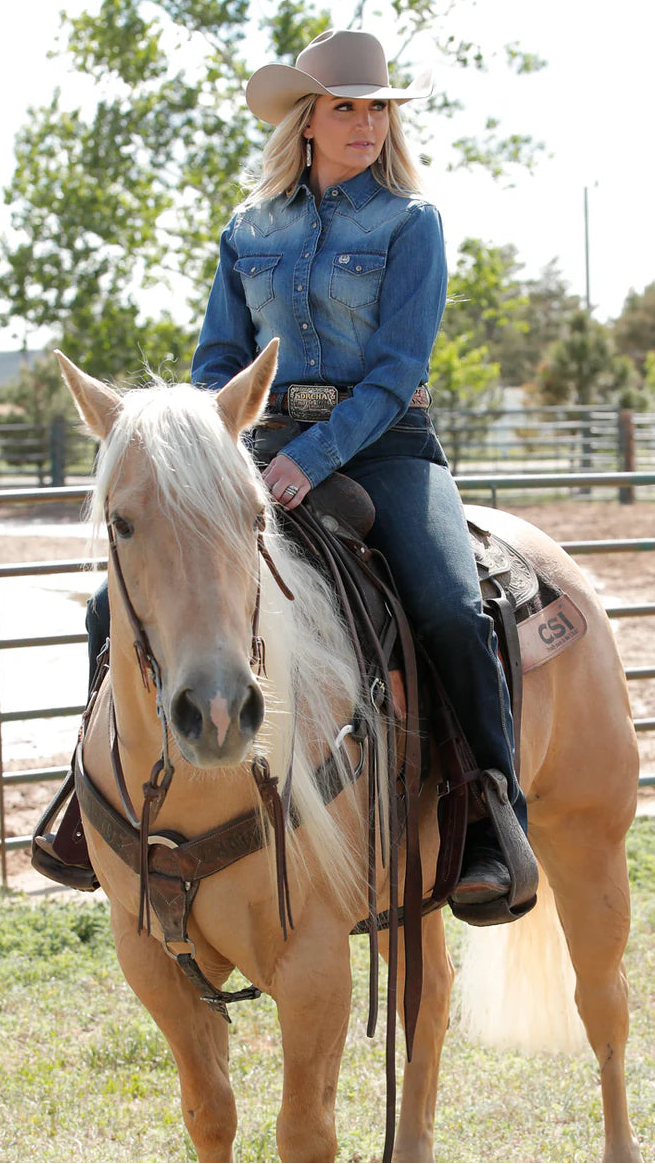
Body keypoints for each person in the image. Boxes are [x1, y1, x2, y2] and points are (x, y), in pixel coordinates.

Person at [189, 27, 537, 918]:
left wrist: (309, 459)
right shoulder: (248, 228)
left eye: (377, 109)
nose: (365, 125)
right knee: (118, 605)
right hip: (259, 447)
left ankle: (492, 816)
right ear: (306, 121)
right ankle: (100, 797)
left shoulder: (409, 223)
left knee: (454, 610)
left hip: (385, 447)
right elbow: (217, 360)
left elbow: (393, 372)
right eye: (346, 108)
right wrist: (203, 444)